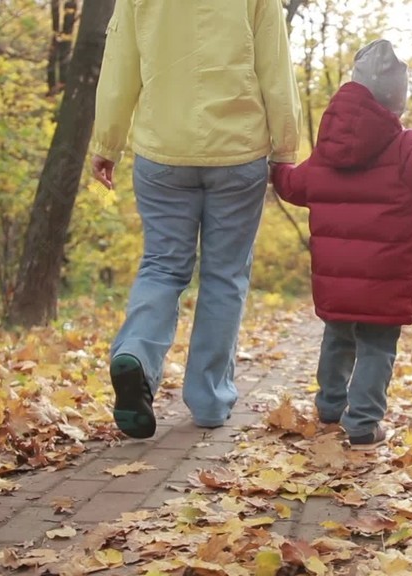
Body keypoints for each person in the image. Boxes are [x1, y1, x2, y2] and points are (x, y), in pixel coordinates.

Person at [90, 0, 301, 438]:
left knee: (163, 266)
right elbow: (275, 68)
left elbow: (121, 62)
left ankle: (136, 355)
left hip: (162, 149)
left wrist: (107, 141)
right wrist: (284, 149)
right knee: (225, 276)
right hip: (237, 151)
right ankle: (208, 400)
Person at [271, 40, 412, 450]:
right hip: (385, 278)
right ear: (394, 102)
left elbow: (292, 185)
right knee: (376, 345)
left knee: (338, 337)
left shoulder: (324, 156)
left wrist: (275, 165)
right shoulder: (405, 151)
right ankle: (363, 422)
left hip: (335, 282)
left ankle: (331, 406)